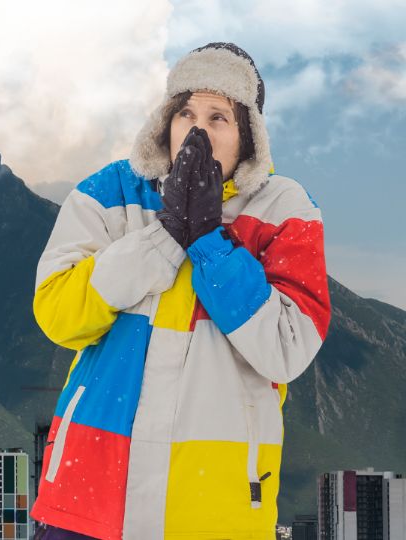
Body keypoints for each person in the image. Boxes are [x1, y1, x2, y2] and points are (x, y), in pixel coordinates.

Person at [27, 42, 331, 539]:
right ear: (165, 120)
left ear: (249, 135)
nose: (197, 131)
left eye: (218, 118)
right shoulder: (112, 191)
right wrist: (165, 236)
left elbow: (287, 348)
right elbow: (58, 315)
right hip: (88, 499)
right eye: (186, 112)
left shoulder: (286, 208)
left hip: (214, 514)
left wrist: (209, 242)